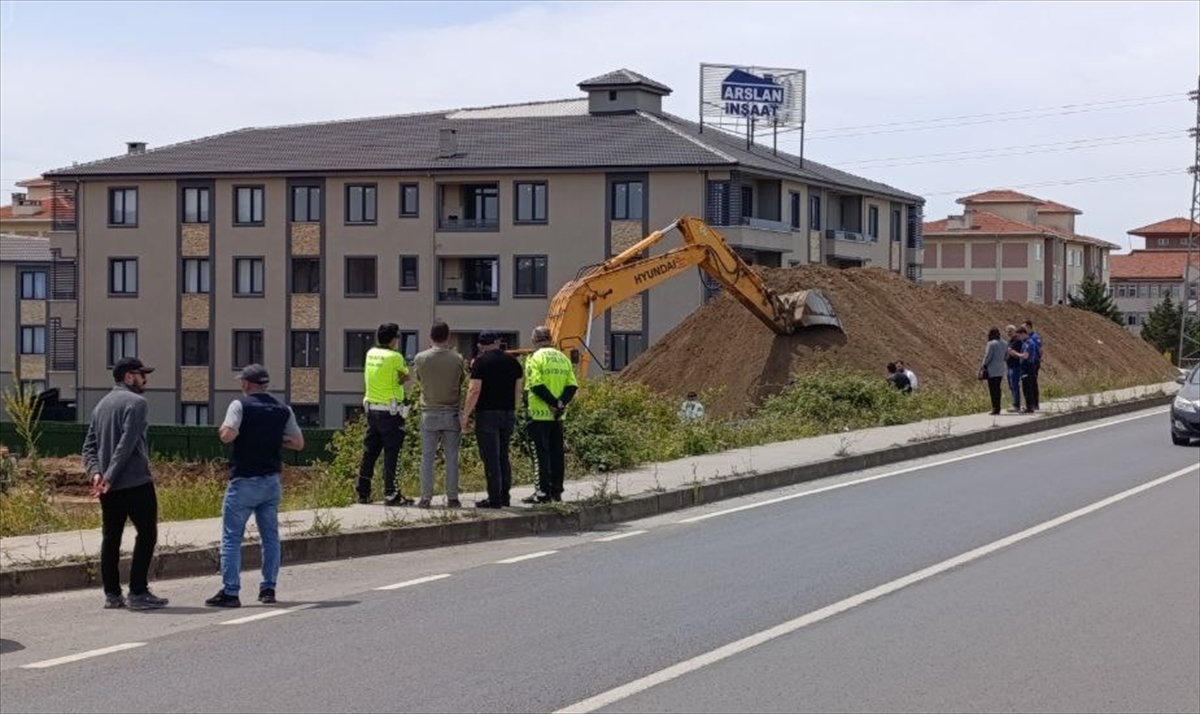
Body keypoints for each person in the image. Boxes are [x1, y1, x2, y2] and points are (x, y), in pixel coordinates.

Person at [205, 365, 304, 608]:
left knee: (231, 537)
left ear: (247, 384)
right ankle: (268, 589)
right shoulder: (283, 410)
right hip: (271, 481)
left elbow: (227, 434)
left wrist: (229, 431)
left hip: (244, 481)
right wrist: (273, 438)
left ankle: (231, 592)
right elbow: (298, 443)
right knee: (270, 537)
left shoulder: (240, 405)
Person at [82, 357, 169, 610]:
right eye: (142, 374)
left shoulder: (101, 406)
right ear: (130, 377)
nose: (146, 380)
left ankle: (112, 595)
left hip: (107, 489)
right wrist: (109, 475)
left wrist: (96, 474)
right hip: (135, 482)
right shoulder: (137, 403)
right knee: (147, 533)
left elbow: (88, 447)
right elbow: (127, 443)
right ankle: (138, 592)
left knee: (111, 537)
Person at [461, 331, 524, 509]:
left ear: (480, 344)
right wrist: (513, 409)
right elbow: (518, 389)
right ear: (498, 343)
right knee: (503, 455)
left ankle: (494, 498)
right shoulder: (513, 361)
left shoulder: (480, 362)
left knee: (490, 457)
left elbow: (474, 390)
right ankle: (505, 496)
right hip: (508, 412)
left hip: (487, 414)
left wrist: (465, 414)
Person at [411, 320, 467, 509]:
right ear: (448, 336)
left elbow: (418, 379)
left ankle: (425, 497)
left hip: (429, 412)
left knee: (427, 457)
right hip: (451, 412)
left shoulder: (420, 358)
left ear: (430, 336)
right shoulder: (457, 358)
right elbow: (461, 381)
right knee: (452, 457)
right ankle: (452, 497)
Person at [357, 323, 414, 507]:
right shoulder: (395, 356)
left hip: (372, 410)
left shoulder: (370, 353)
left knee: (369, 453)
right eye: (397, 337)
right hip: (391, 412)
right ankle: (391, 494)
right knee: (392, 454)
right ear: (393, 339)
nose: (398, 341)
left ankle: (363, 492)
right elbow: (405, 376)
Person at [522, 326, 578, 504]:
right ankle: (556, 491)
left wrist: (552, 403)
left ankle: (542, 492)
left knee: (540, 454)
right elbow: (572, 386)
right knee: (556, 453)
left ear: (535, 339)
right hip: (558, 416)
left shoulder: (534, 358)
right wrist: (560, 403)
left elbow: (536, 385)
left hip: (539, 414)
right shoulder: (563, 358)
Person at [1008, 326, 1041, 414]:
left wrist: (1015, 353)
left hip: (1028, 366)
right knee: (1026, 387)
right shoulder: (1026, 342)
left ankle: (1029, 407)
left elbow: (1025, 356)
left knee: (1027, 388)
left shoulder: (1028, 343)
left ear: (1023, 334)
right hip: (1025, 367)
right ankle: (1029, 406)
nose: (1019, 338)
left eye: (1019, 336)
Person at [981, 328, 1008, 416]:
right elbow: (1006, 357)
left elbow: (988, 356)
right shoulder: (1005, 343)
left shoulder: (991, 343)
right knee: (997, 388)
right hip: (1000, 370)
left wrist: (983, 365)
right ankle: (998, 407)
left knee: (993, 390)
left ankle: (995, 408)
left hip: (992, 371)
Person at [1021, 319, 1042, 410]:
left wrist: (1038, 360)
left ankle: (1035, 403)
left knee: (1033, 383)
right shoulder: (1026, 338)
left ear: (1029, 327)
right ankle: (1032, 403)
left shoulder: (1034, 337)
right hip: (1028, 362)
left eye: (1024, 327)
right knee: (1030, 383)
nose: (1023, 329)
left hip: (1033, 362)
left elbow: (1040, 350)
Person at [1004, 324, 1024, 413]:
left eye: (1010, 331)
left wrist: (1012, 353)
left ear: (1014, 331)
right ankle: (1014, 403)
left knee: (1015, 385)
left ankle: (1016, 405)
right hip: (1009, 366)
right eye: (1007, 331)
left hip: (1015, 366)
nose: (1008, 333)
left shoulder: (1018, 341)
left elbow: (1017, 353)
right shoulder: (1010, 341)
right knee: (1011, 385)